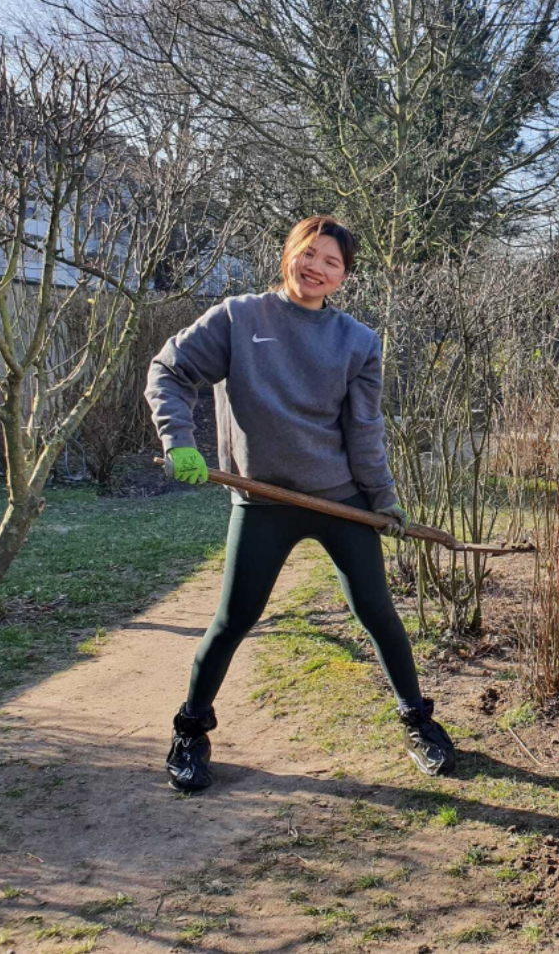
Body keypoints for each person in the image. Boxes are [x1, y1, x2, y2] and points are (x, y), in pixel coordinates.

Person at [145, 215, 456, 791]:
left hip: (342, 499)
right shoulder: (239, 318)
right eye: (308, 254)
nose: (316, 268)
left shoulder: (358, 341)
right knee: (234, 618)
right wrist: (179, 441)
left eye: (331, 262)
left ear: (343, 277)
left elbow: (364, 430)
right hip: (263, 498)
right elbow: (169, 370)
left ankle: (418, 721)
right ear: (289, 254)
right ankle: (190, 730)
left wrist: (384, 501)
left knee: (376, 611)